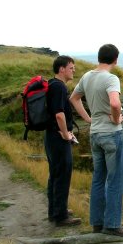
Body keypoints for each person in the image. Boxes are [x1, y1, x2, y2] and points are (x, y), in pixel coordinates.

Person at [70, 44, 123, 236]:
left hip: (95, 134)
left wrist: (88, 118)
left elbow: (74, 98)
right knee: (115, 181)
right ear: (116, 59)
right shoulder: (111, 78)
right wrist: (115, 118)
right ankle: (112, 225)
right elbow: (114, 102)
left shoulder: (87, 76)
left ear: (99, 57)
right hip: (113, 135)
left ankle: (97, 223)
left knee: (98, 180)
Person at [45, 55, 82, 226]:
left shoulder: (51, 84)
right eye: (71, 67)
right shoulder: (59, 87)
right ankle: (61, 217)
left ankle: (55, 211)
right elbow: (59, 114)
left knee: (55, 174)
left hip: (51, 137)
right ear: (62, 69)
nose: (73, 70)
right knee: (62, 176)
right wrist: (66, 134)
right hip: (58, 138)